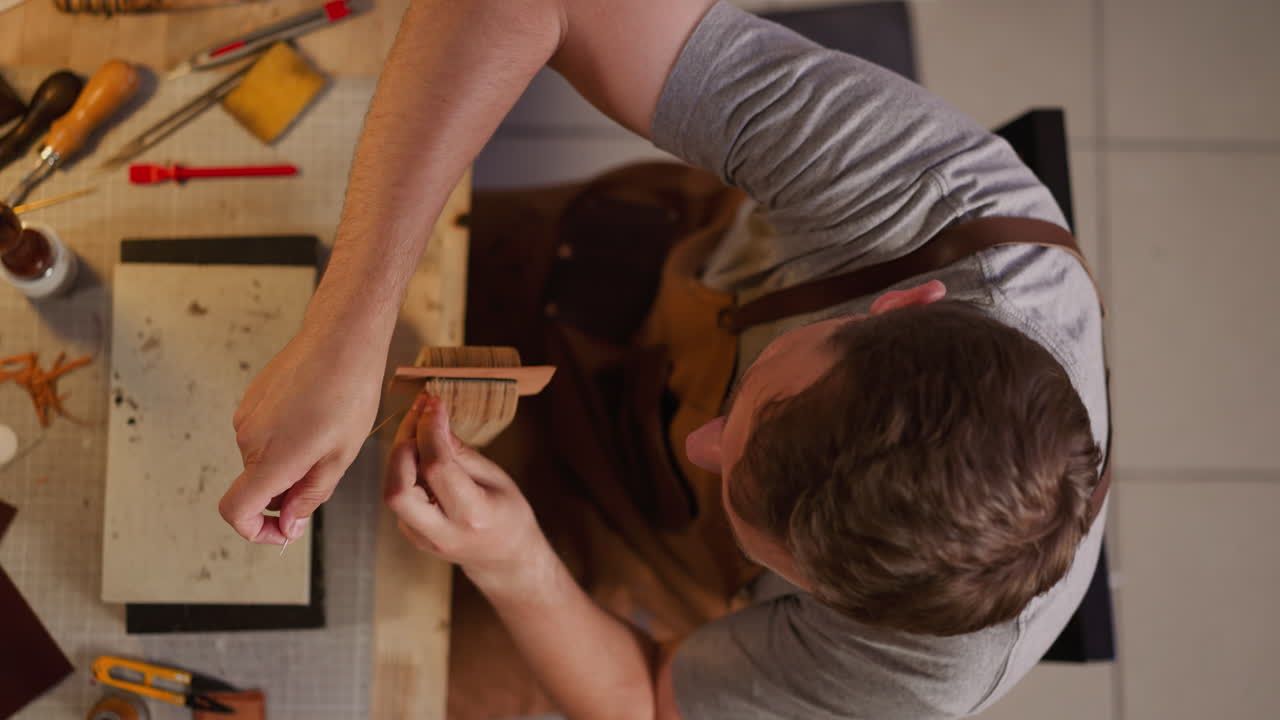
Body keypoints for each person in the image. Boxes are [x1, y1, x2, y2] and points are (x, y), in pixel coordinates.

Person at [221, 0, 1110, 717]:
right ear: (901, 303)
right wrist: (349, 329)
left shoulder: (916, 673)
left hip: (611, 567)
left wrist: (514, 561)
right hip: (606, 278)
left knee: (316, 679)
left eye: (746, 510)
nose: (702, 443)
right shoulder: (930, 202)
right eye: (750, 412)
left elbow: (646, 697)